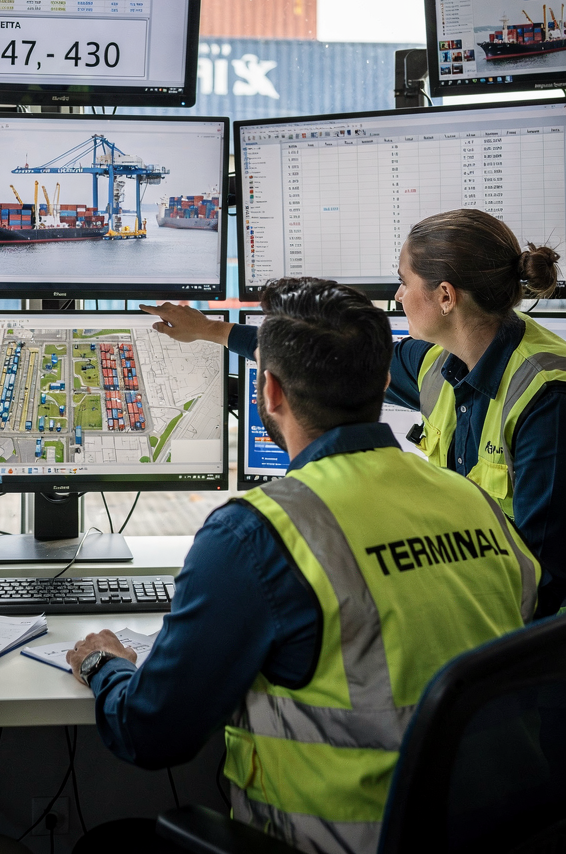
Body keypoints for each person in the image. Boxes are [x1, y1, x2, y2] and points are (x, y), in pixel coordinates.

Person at [71, 278, 540, 854]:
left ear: (269, 391)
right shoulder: (474, 501)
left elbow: (150, 733)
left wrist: (103, 663)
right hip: (491, 837)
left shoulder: (258, 533)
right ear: (384, 381)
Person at [140, 210, 566, 613]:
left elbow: (546, 579)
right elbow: (322, 356)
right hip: (474, 607)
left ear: (445, 296)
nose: (398, 296)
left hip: (526, 650)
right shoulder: (437, 362)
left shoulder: (547, 396)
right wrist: (213, 330)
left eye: (404, 282)